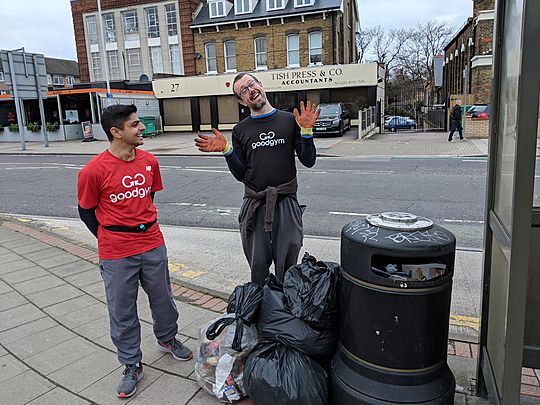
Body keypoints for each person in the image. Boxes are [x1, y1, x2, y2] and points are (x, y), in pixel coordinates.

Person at [77, 104, 192, 398]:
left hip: (152, 242)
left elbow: (148, 196)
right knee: (122, 310)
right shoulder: (92, 171)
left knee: (164, 299)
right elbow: (87, 212)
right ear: (116, 132)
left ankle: (168, 339)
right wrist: (110, 236)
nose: (142, 128)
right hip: (116, 252)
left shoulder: (150, 161)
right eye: (135, 125)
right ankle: (131, 364)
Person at [195, 73, 319, 285]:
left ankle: (286, 312)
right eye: (243, 90)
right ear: (242, 101)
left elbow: (308, 161)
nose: (250, 90)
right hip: (254, 206)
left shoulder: (289, 121)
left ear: (260, 85)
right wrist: (227, 151)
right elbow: (242, 175)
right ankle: (261, 310)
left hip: (286, 203)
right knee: (258, 268)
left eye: (251, 84)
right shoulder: (241, 130)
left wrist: (306, 132)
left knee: (288, 269)